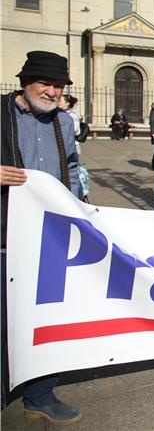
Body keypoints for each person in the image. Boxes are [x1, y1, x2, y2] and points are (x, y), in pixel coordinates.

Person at [0, 51, 82, 425]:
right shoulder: (2, 115)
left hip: (49, 238)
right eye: (45, 83)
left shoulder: (62, 122)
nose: (52, 91)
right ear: (25, 82)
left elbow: (75, 169)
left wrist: (84, 210)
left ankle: (40, 394)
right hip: (5, 236)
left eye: (58, 85)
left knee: (48, 321)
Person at [58, 94, 90, 202]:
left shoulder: (72, 115)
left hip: (71, 147)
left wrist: (64, 125)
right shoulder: (60, 113)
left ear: (67, 103)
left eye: (61, 100)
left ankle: (78, 196)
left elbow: (77, 130)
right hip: (62, 145)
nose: (58, 102)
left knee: (71, 171)